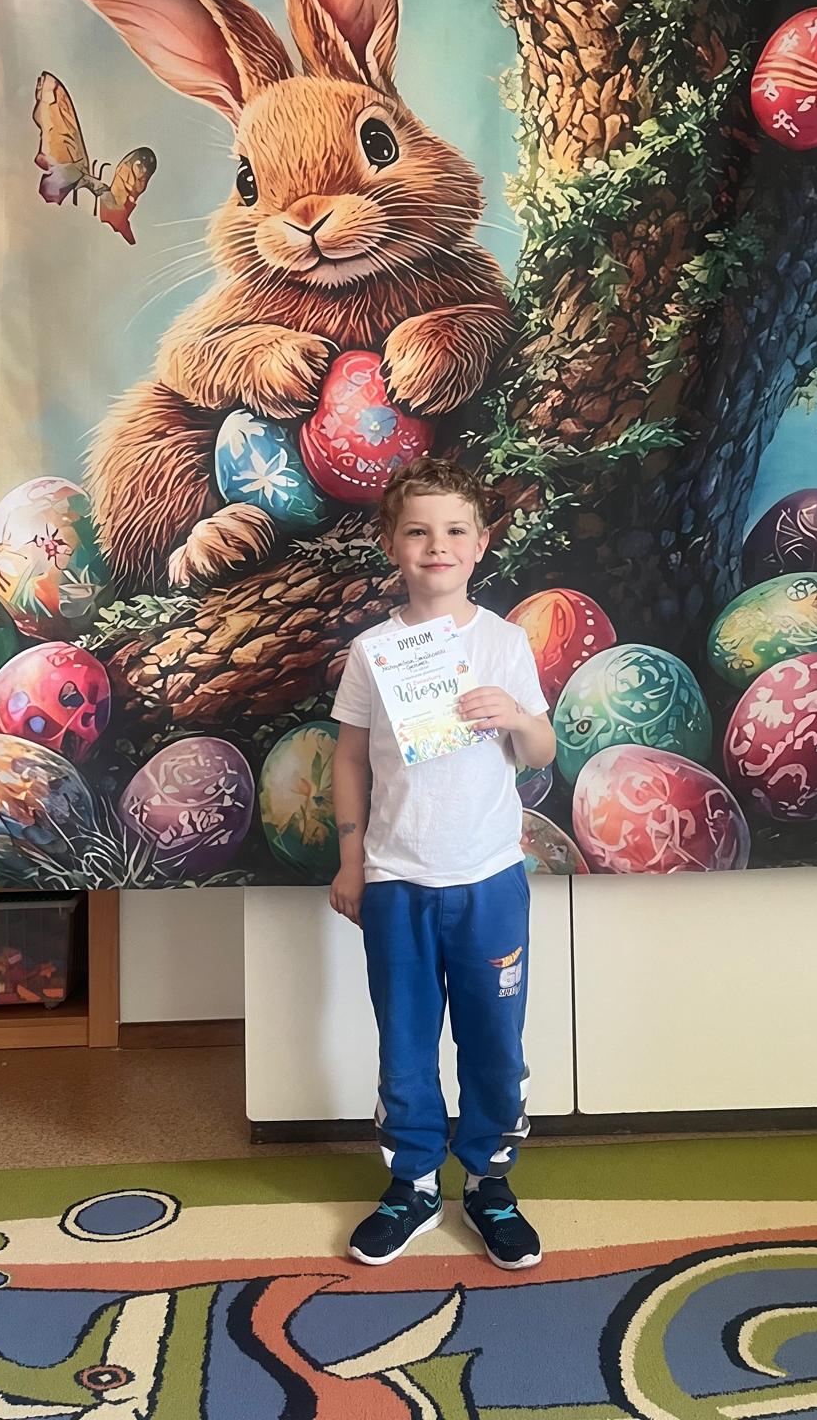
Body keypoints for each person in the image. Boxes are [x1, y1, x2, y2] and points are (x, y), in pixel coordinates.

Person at [329, 456, 556, 1269]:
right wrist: (351, 861)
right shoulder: (373, 651)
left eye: (455, 530)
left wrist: (516, 717)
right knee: (405, 1042)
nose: (437, 546)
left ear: (481, 543)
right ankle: (414, 1184)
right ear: (391, 544)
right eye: (418, 531)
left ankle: (491, 1184)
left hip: (489, 879)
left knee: (494, 1040)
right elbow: (348, 758)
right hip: (397, 879)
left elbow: (542, 751)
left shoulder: (505, 642)